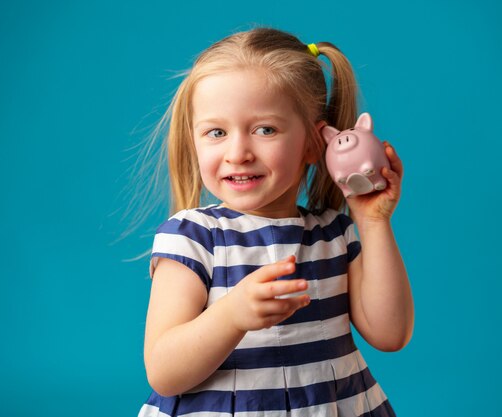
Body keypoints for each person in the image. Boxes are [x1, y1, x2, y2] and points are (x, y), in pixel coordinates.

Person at [137, 27, 414, 417]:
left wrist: (373, 222)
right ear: (194, 140)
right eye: (216, 132)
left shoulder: (332, 234)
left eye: (264, 129)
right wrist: (232, 316)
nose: (238, 153)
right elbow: (164, 372)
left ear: (314, 143)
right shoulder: (194, 237)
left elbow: (391, 333)